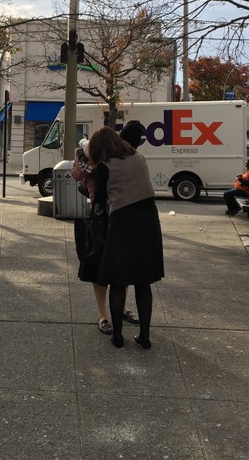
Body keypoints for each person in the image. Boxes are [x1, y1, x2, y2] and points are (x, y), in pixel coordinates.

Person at [88, 126, 164, 350]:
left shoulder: (104, 166)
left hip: (122, 220)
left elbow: (100, 198)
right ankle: (145, 336)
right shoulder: (139, 157)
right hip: (149, 218)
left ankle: (118, 336)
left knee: (119, 279)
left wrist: (88, 185)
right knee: (143, 280)